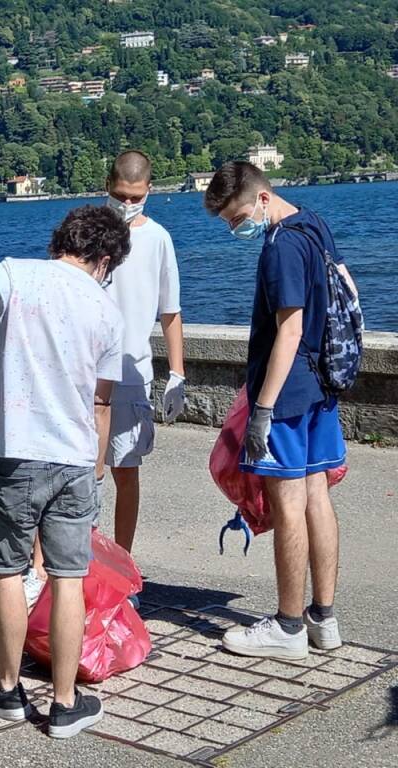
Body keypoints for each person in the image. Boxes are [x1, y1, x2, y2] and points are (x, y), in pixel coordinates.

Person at [0, 205, 129, 738]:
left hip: (16, 456)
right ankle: (65, 705)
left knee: (8, 573)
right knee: (68, 579)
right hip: (75, 459)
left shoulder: (17, 273)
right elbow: (101, 404)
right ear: (103, 259)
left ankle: (6, 690)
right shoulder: (109, 312)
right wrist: (98, 463)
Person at [204, 161, 355, 660]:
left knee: (288, 504)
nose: (235, 227)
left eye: (237, 215)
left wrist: (262, 409)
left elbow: (287, 331)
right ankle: (323, 618)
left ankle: (288, 627)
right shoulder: (315, 224)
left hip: (288, 393)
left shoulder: (280, 246)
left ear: (262, 199)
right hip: (322, 384)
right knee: (317, 497)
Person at [103, 151, 186, 556]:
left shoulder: (158, 239)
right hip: (84, 373)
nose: (129, 204)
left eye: (136, 197)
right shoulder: (86, 230)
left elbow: (170, 312)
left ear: (149, 191)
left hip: (131, 373)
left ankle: (121, 563)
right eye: (122, 195)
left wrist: (177, 373)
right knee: (76, 474)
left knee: (126, 472)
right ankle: (66, 566)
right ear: (108, 187)